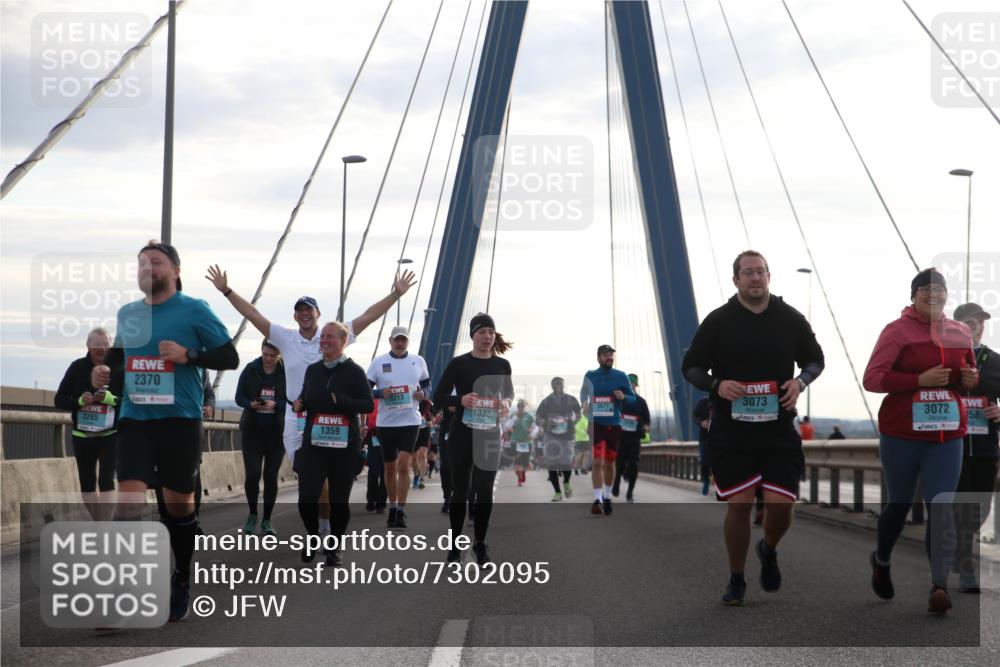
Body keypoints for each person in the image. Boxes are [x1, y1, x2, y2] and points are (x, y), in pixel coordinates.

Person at [205, 264, 415, 539]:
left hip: (329, 418)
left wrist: (395, 295)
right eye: (300, 311)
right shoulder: (285, 337)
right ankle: (321, 526)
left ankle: (326, 530)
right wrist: (226, 291)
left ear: (318, 314)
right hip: (296, 417)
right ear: (295, 315)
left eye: (309, 310)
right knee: (309, 480)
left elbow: (368, 317)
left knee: (324, 477)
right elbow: (253, 314)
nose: (304, 314)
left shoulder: (331, 336)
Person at [92, 241, 239, 622]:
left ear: (175, 271)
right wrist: (107, 373)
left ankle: (182, 576)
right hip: (135, 421)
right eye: (141, 263)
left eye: (155, 262)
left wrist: (189, 356)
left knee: (179, 509)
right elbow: (121, 360)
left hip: (179, 422)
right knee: (128, 504)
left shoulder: (195, 310)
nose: (147, 268)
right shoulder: (128, 314)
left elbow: (230, 357)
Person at [681, 250, 825, 606]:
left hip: (777, 429)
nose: (755, 278)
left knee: (780, 507)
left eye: (761, 271)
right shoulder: (718, 321)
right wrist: (717, 385)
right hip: (732, 430)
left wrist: (800, 382)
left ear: (769, 276)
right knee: (740, 504)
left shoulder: (790, 318)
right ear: (736, 280)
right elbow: (692, 367)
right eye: (748, 273)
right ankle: (736, 579)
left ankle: (769, 548)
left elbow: (815, 359)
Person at [862, 268, 977, 614]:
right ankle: (881, 561)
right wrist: (918, 380)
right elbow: (873, 379)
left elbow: (967, 376)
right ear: (913, 295)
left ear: (946, 295)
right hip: (903, 434)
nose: (933, 294)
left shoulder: (961, 332)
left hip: (947, 434)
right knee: (898, 505)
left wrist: (969, 380)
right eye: (925, 289)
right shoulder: (896, 331)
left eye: (939, 289)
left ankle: (938, 585)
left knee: (941, 507)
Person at [433, 313, 514, 565]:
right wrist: (461, 400)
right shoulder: (459, 363)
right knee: (461, 491)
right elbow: (439, 397)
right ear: (472, 336)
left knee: (484, 490)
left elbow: (509, 394)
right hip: (462, 433)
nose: (487, 337)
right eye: (482, 332)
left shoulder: (502, 365)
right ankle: (456, 546)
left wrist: (505, 404)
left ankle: (480, 543)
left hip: (489, 433)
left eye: (490, 332)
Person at [293, 321, 373, 567]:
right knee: (307, 498)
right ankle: (314, 536)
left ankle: (335, 547)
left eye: (329, 336)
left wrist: (344, 401)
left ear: (343, 341)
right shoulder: (313, 370)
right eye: (322, 336)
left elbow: (367, 405)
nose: (324, 340)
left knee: (339, 501)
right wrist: (300, 403)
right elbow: (306, 396)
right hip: (314, 444)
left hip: (344, 446)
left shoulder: (355, 371)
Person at [951, 302, 999, 593]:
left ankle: (961, 551)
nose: (976, 325)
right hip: (950, 446)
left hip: (984, 447)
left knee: (981, 507)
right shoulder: (945, 357)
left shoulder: (994, 361)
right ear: (956, 324)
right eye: (970, 321)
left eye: (980, 322)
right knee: (962, 505)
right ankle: (967, 565)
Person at [366, 326, 430, 530]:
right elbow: (365, 389)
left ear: (408, 342)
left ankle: (401, 510)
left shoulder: (418, 361)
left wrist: (423, 395)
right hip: (386, 423)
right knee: (389, 467)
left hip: (410, 420)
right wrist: (380, 394)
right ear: (390, 340)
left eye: (404, 340)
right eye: (397, 340)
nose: (400, 343)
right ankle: (392, 506)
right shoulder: (379, 362)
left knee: (403, 464)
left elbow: (427, 386)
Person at [55, 327, 122, 520]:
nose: (102, 350)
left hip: (110, 435)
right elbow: (59, 400)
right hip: (82, 436)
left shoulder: (119, 369)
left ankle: (105, 526)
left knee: (106, 480)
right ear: (88, 346)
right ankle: (99, 520)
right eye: (97, 346)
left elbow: (131, 401)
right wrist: (79, 401)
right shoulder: (77, 368)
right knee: (87, 486)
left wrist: (111, 399)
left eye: (106, 345)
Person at [234, 339, 286, 536]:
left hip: (276, 433)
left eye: (272, 356)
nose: (268, 359)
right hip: (252, 431)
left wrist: (276, 405)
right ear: (261, 352)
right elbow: (239, 397)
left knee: (270, 476)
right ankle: (253, 514)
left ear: (279, 355)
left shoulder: (285, 372)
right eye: (265, 355)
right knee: (253, 474)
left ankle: (267, 519)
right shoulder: (251, 369)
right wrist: (251, 404)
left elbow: (292, 399)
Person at [580, 344, 635, 516]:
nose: (609, 357)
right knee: (597, 461)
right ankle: (597, 499)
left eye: (611, 354)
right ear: (598, 357)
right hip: (595, 424)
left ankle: (607, 495)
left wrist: (624, 397)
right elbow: (583, 393)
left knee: (610, 463)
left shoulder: (621, 376)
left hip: (614, 425)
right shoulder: (590, 375)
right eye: (605, 355)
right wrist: (584, 403)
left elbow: (632, 399)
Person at [536, 377, 582, 501]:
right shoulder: (546, 401)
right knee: (551, 465)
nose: (558, 386)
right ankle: (557, 492)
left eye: (560, 384)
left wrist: (574, 421)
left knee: (566, 464)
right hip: (550, 436)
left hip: (567, 436)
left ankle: (566, 482)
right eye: (555, 384)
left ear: (563, 385)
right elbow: (538, 417)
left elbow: (579, 413)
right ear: (552, 386)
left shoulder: (571, 399)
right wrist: (544, 422)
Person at [613, 373, 651, 503]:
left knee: (633, 465)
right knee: (620, 464)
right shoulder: (618, 400)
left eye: (633, 384)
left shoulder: (641, 402)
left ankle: (630, 493)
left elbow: (647, 419)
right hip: (621, 438)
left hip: (635, 438)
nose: (631, 386)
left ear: (635, 386)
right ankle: (616, 482)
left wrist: (646, 427)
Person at [362, 403, 387, 513]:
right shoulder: (372, 396)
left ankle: (381, 503)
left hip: (388, 437)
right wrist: (363, 425)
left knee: (385, 471)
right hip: (373, 436)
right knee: (374, 470)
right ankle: (371, 500)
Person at [507, 400, 534, 487]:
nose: (521, 409)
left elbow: (535, 427)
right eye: (520, 407)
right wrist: (514, 419)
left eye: (523, 407)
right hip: (515, 441)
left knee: (526, 464)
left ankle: (523, 473)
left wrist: (531, 432)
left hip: (527, 442)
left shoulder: (529, 416)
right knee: (517, 462)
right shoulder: (513, 415)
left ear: (525, 408)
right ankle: (519, 479)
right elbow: (508, 426)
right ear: (518, 407)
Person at [412, 397, 433, 489]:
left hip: (425, 430)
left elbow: (434, 411)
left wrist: (430, 420)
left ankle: (422, 479)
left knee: (423, 455)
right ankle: (416, 475)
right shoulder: (410, 400)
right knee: (414, 457)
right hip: (413, 430)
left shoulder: (426, 402)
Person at [692, 396, 712, 495]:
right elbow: (694, 417)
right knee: (704, 461)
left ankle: (719, 484)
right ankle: (706, 481)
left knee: (718, 461)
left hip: (720, 437)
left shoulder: (722, 401)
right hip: (704, 437)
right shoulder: (703, 402)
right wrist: (701, 423)